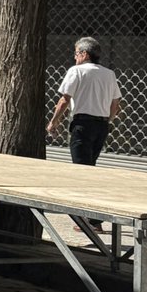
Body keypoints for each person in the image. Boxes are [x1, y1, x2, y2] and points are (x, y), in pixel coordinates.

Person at [47, 36, 122, 232]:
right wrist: (108, 120)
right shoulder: (109, 74)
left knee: (81, 172)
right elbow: (116, 104)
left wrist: (54, 122)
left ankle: (91, 221)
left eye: (76, 53)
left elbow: (64, 100)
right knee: (91, 168)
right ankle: (92, 219)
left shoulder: (77, 71)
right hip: (101, 125)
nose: (74, 57)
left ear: (84, 54)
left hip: (81, 124)